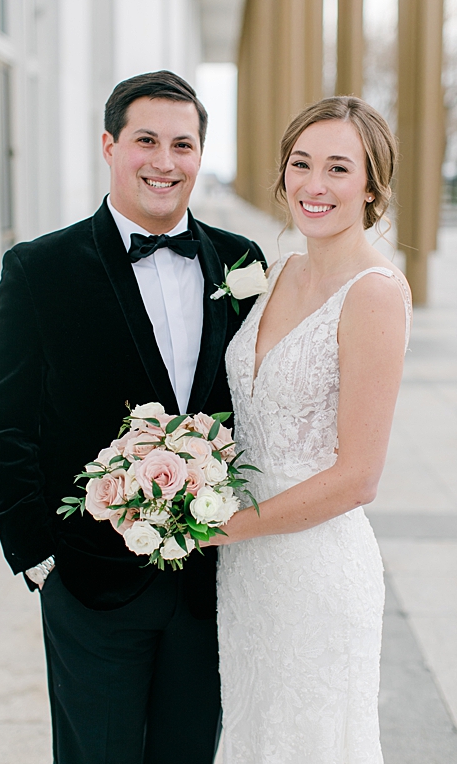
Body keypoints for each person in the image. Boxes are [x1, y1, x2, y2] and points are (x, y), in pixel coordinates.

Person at [0, 70, 265, 763]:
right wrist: (39, 557)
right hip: (90, 582)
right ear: (110, 145)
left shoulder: (242, 263)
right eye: (147, 141)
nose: (165, 162)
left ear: (200, 154)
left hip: (210, 586)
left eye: (183, 145)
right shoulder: (39, 268)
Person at [211, 96, 410, 762]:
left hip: (316, 571)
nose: (313, 185)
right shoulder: (275, 274)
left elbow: (358, 478)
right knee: (254, 732)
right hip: (246, 573)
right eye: (301, 164)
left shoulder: (376, 293)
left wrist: (221, 528)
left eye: (337, 168)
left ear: (372, 185)